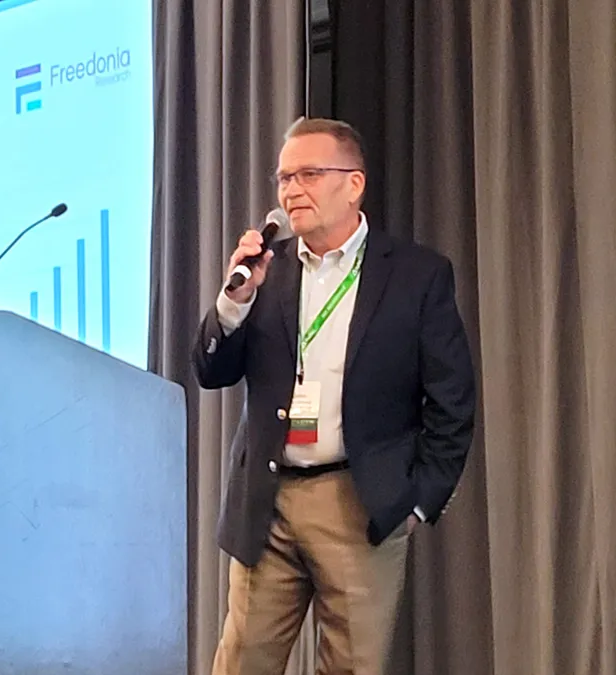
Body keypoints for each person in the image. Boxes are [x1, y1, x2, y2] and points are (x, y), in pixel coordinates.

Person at [193, 117, 476, 675]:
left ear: (354, 184)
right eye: (284, 178)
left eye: (309, 174)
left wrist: (416, 503)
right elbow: (210, 370)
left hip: (358, 500)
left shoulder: (417, 276)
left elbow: (452, 401)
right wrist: (233, 303)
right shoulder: (264, 275)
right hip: (267, 499)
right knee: (239, 664)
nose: (292, 190)